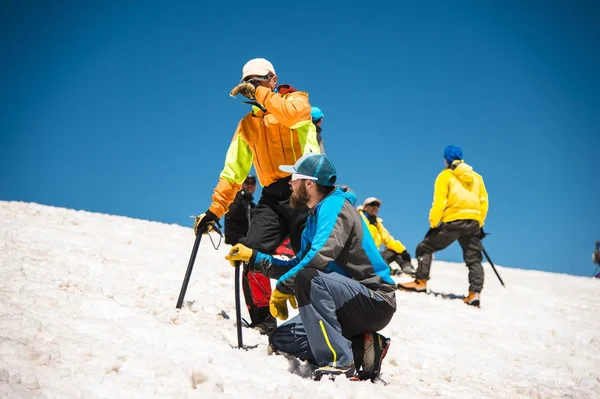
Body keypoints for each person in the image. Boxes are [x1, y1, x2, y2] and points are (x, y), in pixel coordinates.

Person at [225, 153, 396, 381]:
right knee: (282, 338)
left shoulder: (335, 206)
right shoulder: (313, 219)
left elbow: (318, 258)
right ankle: (363, 347)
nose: (289, 183)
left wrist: (286, 286)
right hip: (342, 301)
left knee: (307, 277)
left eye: (294, 178)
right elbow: (299, 263)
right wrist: (255, 258)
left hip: (373, 299)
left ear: (309, 183)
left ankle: (338, 361)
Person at [193, 58, 321, 334]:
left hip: (305, 192)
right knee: (250, 253)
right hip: (273, 197)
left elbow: (291, 116)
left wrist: (260, 93)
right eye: (249, 83)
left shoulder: (297, 101)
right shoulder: (247, 126)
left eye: (259, 80)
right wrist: (215, 211)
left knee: (313, 260)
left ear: (273, 80)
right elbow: (233, 171)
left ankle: (321, 323)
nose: (254, 87)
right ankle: (263, 322)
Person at [398, 145, 489, 307]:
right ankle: (474, 294)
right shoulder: (477, 178)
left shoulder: (445, 176)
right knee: (474, 259)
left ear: (446, 159)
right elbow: (484, 202)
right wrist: (479, 223)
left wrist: (434, 223)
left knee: (425, 247)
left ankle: (420, 282)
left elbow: (440, 202)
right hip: (473, 222)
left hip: (453, 221)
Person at [224, 175, 273, 328]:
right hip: (244, 245)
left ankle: (261, 319)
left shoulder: (252, 205)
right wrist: (240, 241)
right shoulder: (238, 201)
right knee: (253, 275)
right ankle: (262, 319)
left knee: (251, 276)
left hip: (251, 246)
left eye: (253, 183)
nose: (250, 185)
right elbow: (230, 222)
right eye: (247, 182)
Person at [358, 197, 416, 276]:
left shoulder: (377, 224)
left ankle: (407, 270)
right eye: (372, 204)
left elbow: (389, 240)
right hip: (361, 256)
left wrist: (403, 250)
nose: (375, 207)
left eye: (377, 205)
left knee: (394, 250)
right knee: (377, 258)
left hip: (375, 256)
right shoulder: (358, 219)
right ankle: (389, 272)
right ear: (365, 207)